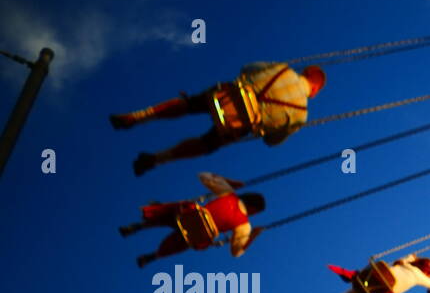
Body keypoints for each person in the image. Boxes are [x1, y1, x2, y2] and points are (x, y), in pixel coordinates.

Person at [110, 61, 325, 176]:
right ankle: (157, 159)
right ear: (314, 91)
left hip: (227, 94)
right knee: (206, 145)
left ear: (304, 71)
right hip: (237, 124)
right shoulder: (301, 114)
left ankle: (137, 116)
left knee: (188, 105)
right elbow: (272, 141)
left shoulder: (283, 69)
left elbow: (247, 68)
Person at [120, 172, 263, 268]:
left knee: (173, 213)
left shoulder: (229, 194)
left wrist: (228, 182)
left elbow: (203, 176)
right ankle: (153, 256)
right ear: (253, 209)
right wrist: (253, 237)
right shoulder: (244, 225)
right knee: (178, 245)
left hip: (188, 215)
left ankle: (141, 224)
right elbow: (236, 251)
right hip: (199, 234)